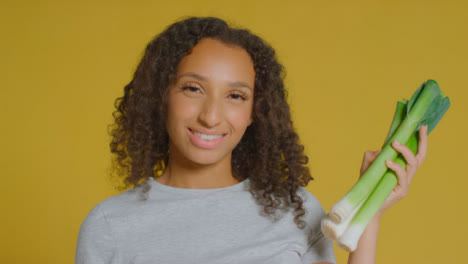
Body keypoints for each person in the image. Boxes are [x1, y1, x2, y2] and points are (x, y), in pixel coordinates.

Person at [75, 16, 428, 264]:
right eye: (193, 89)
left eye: (236, 96)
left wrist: (372, 214)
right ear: (161, 96)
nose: (211, 116)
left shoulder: (296, 211)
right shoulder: (110, 225)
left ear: (254, 112)